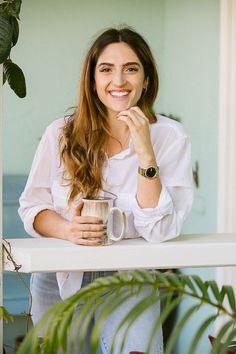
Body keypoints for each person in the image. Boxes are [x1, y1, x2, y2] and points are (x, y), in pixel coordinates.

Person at [19, 26, 194, 354]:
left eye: (131, 68)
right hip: (60, 276)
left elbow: (160, 229)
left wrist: (146, 151)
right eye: (106, 69)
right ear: (92, 80)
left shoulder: (171, 137)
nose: (119, 80)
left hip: (132, 280)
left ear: (146, 79)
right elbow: (32, 206)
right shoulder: (59, 134)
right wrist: (69, 229)